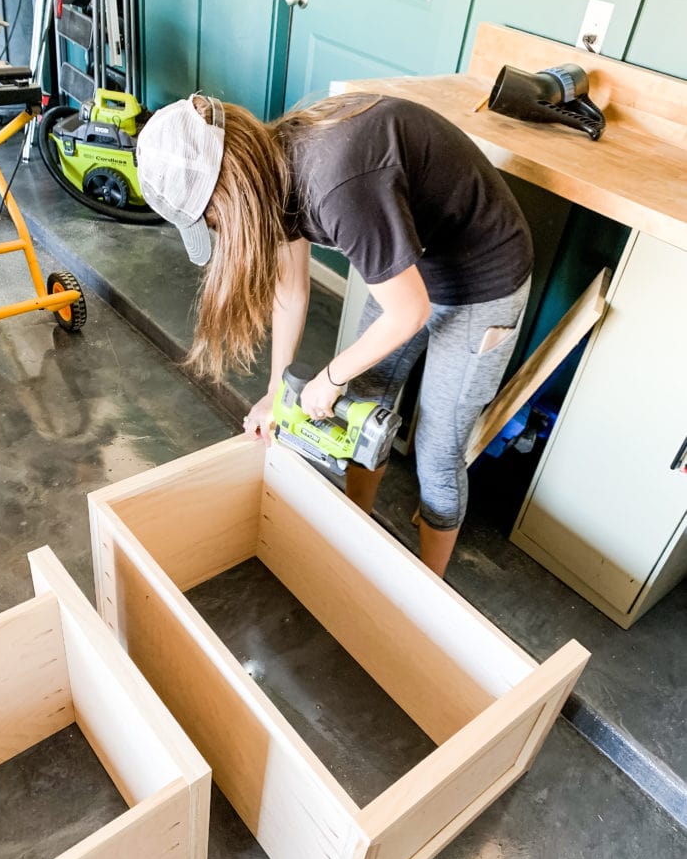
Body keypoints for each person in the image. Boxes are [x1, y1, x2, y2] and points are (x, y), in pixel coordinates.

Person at [136, 91, 533, 578]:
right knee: (364, 410)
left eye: (211, 220)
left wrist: (329, 376)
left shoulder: (335, 183)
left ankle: (431, 591)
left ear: (228, 190)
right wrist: (277, 393)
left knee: (436, 448)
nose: (216, 231)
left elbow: (407, 313)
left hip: (482, 279)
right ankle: (356, 536)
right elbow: (293, 288)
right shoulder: (271, 171)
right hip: (413, 262)